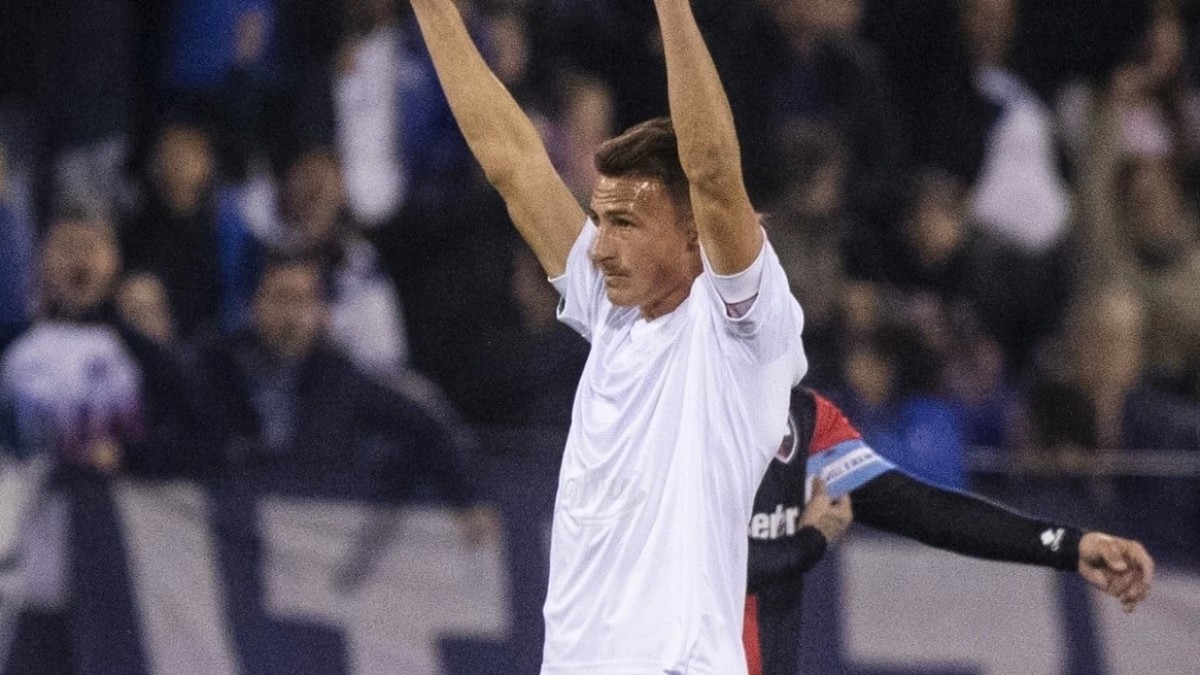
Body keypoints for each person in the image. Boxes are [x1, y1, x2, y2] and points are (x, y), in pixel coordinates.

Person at [410, 1, 807, 673]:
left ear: (694, 233)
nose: (599, 246)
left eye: (624, 224)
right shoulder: (613, 313)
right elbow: (511, 160)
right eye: (600, 220)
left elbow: (713, 172)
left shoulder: (742, 330)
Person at [744, 387, 1156, 675]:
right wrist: (810, 542)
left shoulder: (803, 419)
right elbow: (717, 571)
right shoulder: (701, 418)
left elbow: (928, 510)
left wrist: (1069, 545)